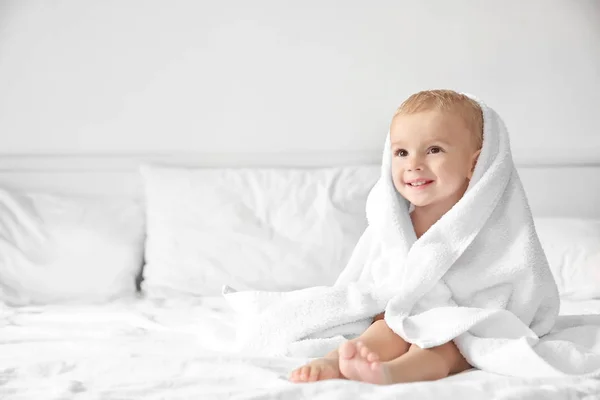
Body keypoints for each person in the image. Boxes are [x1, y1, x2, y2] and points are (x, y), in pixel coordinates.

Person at [290, 90, 483, 384]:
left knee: (445, 343)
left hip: (456, 324)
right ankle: (338, 359)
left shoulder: (484, 224)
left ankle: (392, 372)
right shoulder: (394, 226)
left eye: (434, 150)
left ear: (474, 164)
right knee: (385, 329)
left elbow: (501, 279)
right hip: (400, 313)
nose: (413, 163)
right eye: (401, 152)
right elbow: (377, 276)